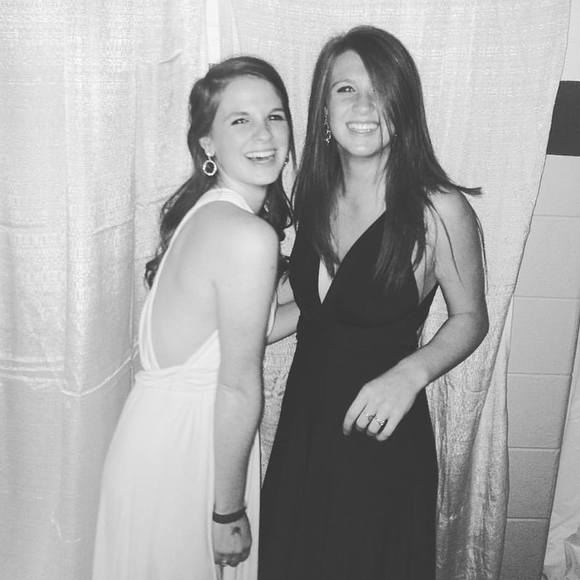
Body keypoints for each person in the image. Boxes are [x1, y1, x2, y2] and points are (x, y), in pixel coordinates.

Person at [259, 25, 488, 580]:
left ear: (403, 107)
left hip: (379, 432)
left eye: (379, 90)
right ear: (323, 110)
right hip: (305, 426)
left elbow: (470, 318)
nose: (363, 106)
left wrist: (410, 375)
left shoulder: (438, 208)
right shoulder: (315, 193)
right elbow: (316, 307)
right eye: (345, 89)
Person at [92, 56, 295, 580]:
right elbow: (237, 384)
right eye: (240, 120)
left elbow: (241, 334)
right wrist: (227, 511)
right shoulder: (247, 235)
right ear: (208, 144)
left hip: (154, 439)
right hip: (188, 454)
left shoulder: (207, 214)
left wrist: (324, 298)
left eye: (274, 116)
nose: (264, 134)